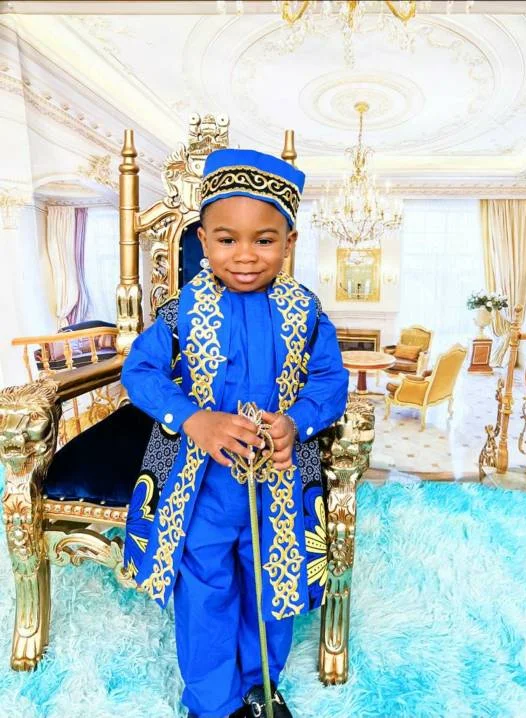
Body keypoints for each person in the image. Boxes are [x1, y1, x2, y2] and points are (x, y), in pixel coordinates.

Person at [121, 148, 349, 718]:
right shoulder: (181, 308)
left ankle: (260, 686)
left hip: (279, 481)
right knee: (205, 586)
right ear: (203, 239)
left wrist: (297, 421)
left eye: (264, 240)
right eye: (227, 240)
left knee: (273, 581)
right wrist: (192, 418)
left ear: (289, 241)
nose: (245, 255)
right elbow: (140, 371)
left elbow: (330, 382)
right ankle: (211, 702)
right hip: (201, 484)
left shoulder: (307, 311)